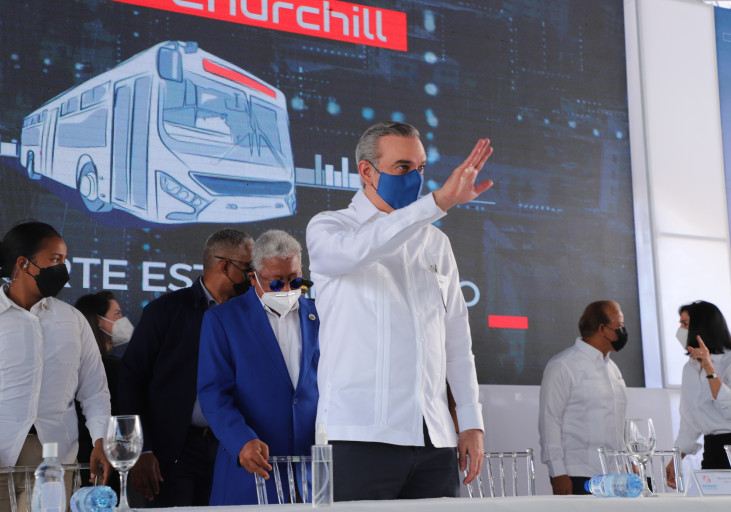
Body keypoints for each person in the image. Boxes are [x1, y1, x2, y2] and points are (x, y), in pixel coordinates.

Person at [305, 121, 492, 501]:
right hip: (358, 435)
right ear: (366, 171)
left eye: (420, 168)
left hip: (434, 438)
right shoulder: (330, 228)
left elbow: (457, 341)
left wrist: (471, 422)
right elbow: (362, 249)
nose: (415, 178)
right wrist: (437, 203)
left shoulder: (436, 242)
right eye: (403, 167)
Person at [119, 228, 254, 507]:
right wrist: (141, 450)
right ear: (225, 266)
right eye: (248, 268)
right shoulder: (165, 311)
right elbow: (130, 379)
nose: (253, 276)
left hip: (228, 449)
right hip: (169, 452)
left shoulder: (250, 315)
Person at [198, 230, 319, 505]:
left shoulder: (320, 315)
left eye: (295, 280)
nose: (287, 290)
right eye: (275, 283)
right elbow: (213, 394)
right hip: (250, 473)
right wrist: (240, 441)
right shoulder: (222, 320)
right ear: (253, 278)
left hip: (311, 477)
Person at [0, 221, 112, 512]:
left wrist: (100, 439)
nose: (62, 268)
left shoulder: (72, 320)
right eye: (55, 260)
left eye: (64, 260)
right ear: (23, 263)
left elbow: (94, 391)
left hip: (55, 460)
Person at [665, 300, 731, 486]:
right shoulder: (689, 369)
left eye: (685, 324)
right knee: (708, 500)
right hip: (714, 449)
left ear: (701, 327)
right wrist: (676, 459)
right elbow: (690, 422)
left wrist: (709, 368)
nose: (680, 330)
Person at [538, 300, 628, 495]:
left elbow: (617, 422)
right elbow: (549, 420)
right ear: (602, 329)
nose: (623, 332)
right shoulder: (563, 365)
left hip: (616, 474)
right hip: (578, 473)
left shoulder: (613, 369)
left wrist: (628, 461)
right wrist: (557, 472)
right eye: (619, 326)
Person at [74, 292, 125, 489]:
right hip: (99, 460)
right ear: (99, 321)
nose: (123, 320)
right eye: (117, 314)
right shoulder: (113, 368)